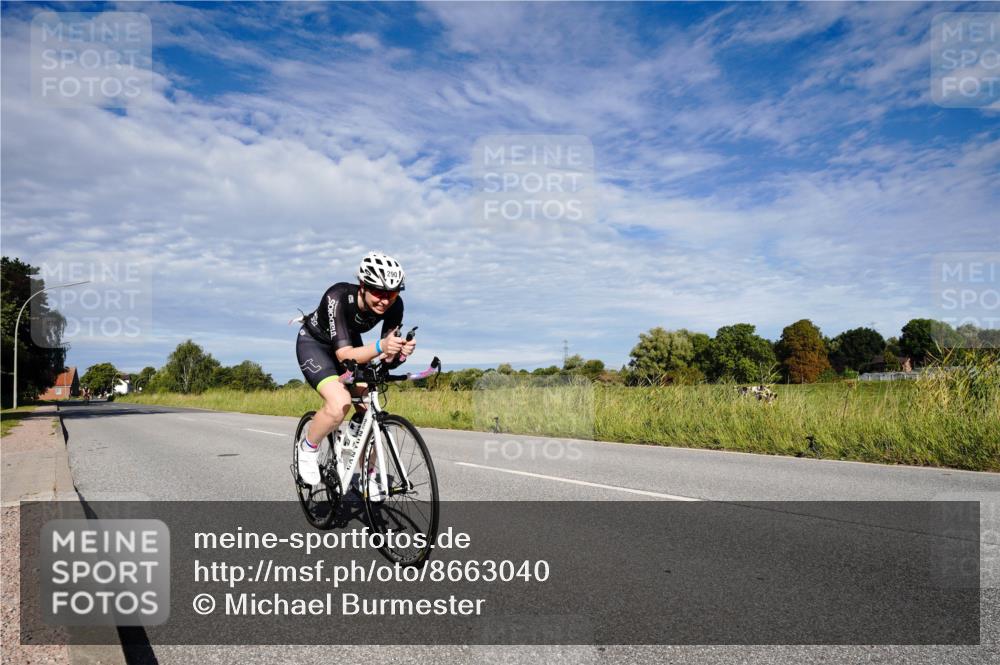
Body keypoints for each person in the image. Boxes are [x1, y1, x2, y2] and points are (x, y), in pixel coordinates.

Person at [295, 251, 415, 501]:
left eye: (392, 294)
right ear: (362, 286)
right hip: (317, 345)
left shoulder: (395, 306)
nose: (385, 301)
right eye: (379, 293)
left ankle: (367, 474)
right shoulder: (337, 296)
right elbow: (343, 355)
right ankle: (307, 448)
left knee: (369, 405)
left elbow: (386, 360)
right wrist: (382, 346)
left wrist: (399, 353)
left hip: (351, 344)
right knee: (340, 403)